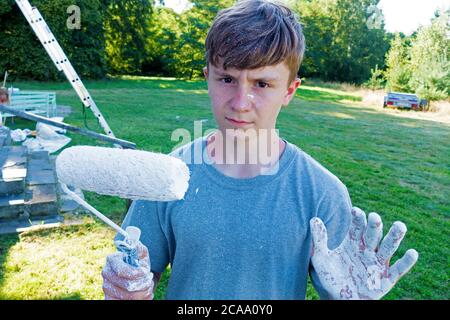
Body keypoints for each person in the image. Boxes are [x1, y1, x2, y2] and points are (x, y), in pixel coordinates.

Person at [102, 0, 418, 300]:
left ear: (289, 91)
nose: (241, 103)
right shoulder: (167, 178)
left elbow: (340, 285)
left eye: (262, 84)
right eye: (227, 79)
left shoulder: (321, 193)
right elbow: (140, 274)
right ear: (207, 79)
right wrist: (128, 286)